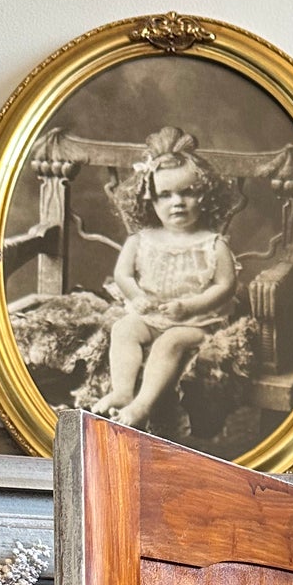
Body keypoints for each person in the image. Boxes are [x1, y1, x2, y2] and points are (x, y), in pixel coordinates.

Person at [91, 128, 242, 429]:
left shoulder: (213, 243)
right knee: (124, 328)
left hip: (197, 323)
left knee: (170, 342)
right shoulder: (142, 240)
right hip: (152, 317)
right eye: (166, 194)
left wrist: (189, 307)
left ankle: (142, 406)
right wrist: (136, 296)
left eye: (187, 192)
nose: (178, 202)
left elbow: (226, 286)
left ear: (205, 194)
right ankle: (122, 391)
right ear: (150, 200)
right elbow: (123, 274)